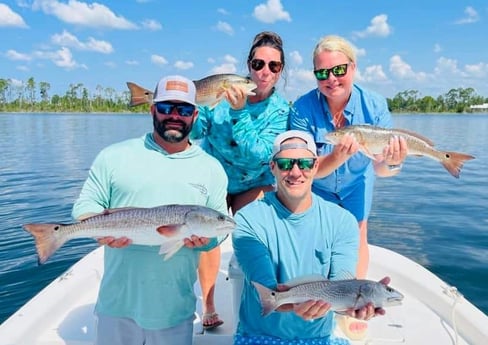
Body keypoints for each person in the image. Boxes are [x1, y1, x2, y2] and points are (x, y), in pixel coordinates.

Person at [72, 75, 229, 345]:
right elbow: (85, 206)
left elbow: (218, 232)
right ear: (152, 109)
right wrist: (101, 233)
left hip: (175, 311)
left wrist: (206, 241)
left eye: (184, 109)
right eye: (167, 108)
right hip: (116, 305)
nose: (175, 116)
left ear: (195, 114)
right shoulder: (114, 156)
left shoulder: (212, 168)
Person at [232, 130, 388, 345]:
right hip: (258, 335)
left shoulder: (342, 220)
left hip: (319, 336)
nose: (296, 172)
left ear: (316, 166)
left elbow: (341, 282)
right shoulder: (247, 219)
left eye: (304, 163)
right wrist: (295, 306)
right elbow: (266, 292)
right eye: (286, 164)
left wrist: (355, 306)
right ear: (273, 168)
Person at [192, 31, 289, 329]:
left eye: (273, 66)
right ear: (248, 66)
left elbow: (260, 154)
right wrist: (193, 113)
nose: (264, 72)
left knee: (253, 234)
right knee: (208, 236)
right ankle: (209, 304)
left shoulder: (282, 111)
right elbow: (197, 134)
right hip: (216, 179)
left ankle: (262, 297)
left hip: (254, 181)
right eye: (258, 64)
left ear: (280, 71)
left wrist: (239, 113)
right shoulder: (219, 95)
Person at [290, 35, 408, 279]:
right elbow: (303, 169)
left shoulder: (375, 105)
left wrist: (393, 161)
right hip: (317, 186)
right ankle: (318, 295)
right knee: (315, 241)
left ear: (353, 67)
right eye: (322, 73)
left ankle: (354, 300)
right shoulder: (301, 109)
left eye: (339, 69)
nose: (331, 79)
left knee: (357, 235)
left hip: (357, 184)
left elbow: (381, 170)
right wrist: (336, 156)